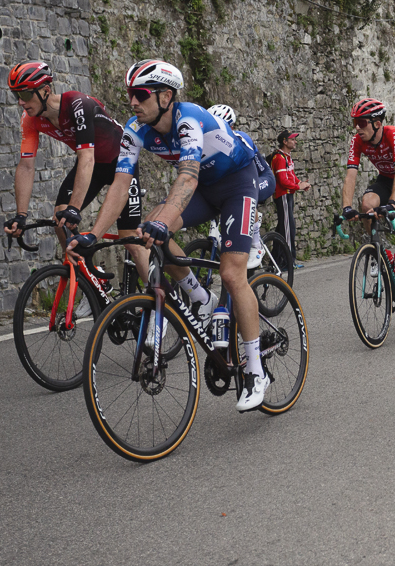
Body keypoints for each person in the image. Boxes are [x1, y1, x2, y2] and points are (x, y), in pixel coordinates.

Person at [71, 60, 271, 412]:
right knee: (142, 232)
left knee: (230, 273)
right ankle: (200, 298)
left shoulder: (188, 119)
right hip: (205, 189)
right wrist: (92, 233)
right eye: (130, 94)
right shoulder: (136, 129)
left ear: (166, 96)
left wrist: (165, 220)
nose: (132, 101)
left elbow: (188, 175)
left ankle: (255, 370)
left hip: (238, 182)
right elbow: (119, 185)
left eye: (141, 94)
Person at [2, 61, 141, 270]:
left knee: (129, 238)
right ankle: (90, 281)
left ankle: (160, 296)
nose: (21, 102)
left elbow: (86, 157)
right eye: (17, 95)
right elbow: (26, 166)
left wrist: (75, 209)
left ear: (45, 91)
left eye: (25, 95)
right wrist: (21, 215)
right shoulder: (31, 120)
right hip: (93, 165)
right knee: (60, 217)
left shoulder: (78, 104)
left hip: (121, 162)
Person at [339, 98, 395, 322]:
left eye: (361, 122)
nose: (357, 127)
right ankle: (382, 253)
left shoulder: (394, 135)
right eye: (355, 123)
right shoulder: (357, 141)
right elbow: (350, 176)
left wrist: (393, 204)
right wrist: (346, 207)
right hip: (385, 180)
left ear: (377, 123)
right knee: (366, 205)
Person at [208, 104, 276, 268]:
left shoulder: (241, 139)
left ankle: (256, 244)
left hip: (263, 178)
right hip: (241, 182)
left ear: (230, 126)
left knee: (246, 198)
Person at [270, 130, 310, 268]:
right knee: (288, 229)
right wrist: (298, 187)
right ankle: (288, 262)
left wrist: (300, 183)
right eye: (292, 139)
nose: (295, 142)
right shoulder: (280, 158)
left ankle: (276, 261)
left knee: (283, 228)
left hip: (288, 195)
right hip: (283, 196)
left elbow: (291, 175)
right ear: (285, 142)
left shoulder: (286, 157)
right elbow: (282, 180)